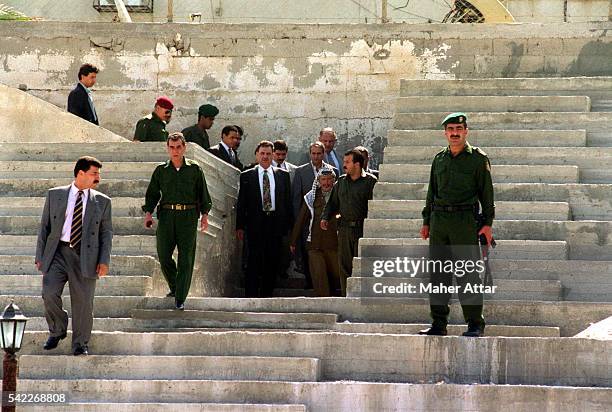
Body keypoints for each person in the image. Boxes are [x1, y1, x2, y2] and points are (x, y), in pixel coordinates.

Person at [419, 112, 494, 338]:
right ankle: (439, 323)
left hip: (464, 222)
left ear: (466, 131)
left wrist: (488, 224)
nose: (454, 133)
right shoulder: (439, 159)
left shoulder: (478, 159)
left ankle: (474, 324)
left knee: (467, 275)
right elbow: (432, 192)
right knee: (438, 275)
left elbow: (487, 195)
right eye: (450, 129)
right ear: (445, 132)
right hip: (439, 222)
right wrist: (426, 221)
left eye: (458, 129)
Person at [36, 156, 113, 356]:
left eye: (98, 173)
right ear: (80, 173)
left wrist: (104, 260)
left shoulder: (102, 202)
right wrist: (40, 255)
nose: (98, 177)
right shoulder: (55, 195)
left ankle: (80, 343)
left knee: (84, 302)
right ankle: (57, 330)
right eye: (94, 173)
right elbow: (44, 227)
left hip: (86, 256)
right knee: (49, 292)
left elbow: (106, 233)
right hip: (57, 253)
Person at [142, 132, 212, 310]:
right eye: (172, 147)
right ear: (167, 148)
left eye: (178, 147)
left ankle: (180, 297)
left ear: (184, 147)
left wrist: (205, 214)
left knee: (186, 258)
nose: (175, 151)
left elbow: (202, 193)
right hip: (166, 215)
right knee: (164, 255)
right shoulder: (161, 170)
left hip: (187, 216)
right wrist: (148, 213)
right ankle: (176, 286)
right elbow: (152, 193)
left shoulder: (194, 169)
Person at [236, 140, 292, 297]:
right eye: (262, 153)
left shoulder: (283, 176)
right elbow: (242, 202)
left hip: (275, 223)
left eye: (268, 153)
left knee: (272, 260)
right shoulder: (247, 175)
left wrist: (289, 226)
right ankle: (250, 296)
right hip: (255, 224)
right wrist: (239, 226)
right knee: (253, 260)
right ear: (257, 155)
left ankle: (267, 295)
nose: (265, 157)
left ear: (273, 155)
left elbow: (287, 202)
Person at [321, 149, 377, 296]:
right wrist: (325, 217)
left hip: (362, 230)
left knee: (364, 266)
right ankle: (347, 297)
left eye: (347, 162)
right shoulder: (341, 182)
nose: (344, 165)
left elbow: (376, 207)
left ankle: (365, 297)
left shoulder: (370, 182)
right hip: (345, 230)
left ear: (357, 164)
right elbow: (332, 203)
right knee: (345, 267)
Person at [290, 167, 340, 296]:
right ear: (318, 181)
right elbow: (301, 220)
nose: (326, 183)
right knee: (319, 274)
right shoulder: (311, 197)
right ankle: (323, 303)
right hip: (315, 244)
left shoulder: (339, 194)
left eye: (329, 179)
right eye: (323, 179)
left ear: (334, 180)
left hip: (334, 244)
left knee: (335, 274)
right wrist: (293, 241)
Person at [292, 142, 338, 282]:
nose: (316, 156)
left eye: (319, 153)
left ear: (323, 154)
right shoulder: (301, 171)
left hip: (331, 230)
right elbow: (297, 200)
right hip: (309, 226)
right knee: (312, 263)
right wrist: (295, 232)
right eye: (313, 153)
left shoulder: (332, 170)